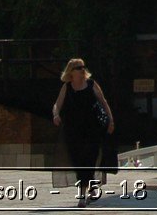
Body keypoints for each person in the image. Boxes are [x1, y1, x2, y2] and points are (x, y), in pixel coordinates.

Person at [51, 58, 115, 208]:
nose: (82, 70)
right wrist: (56, 115)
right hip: (73, 129)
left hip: (92, 128)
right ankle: (91, 186)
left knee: (90, 158)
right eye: (78, 68)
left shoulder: (92, 84)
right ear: (71, 72)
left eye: (83, 67)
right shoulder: (67, 87)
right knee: (78, 161)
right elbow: (57, 104)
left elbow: (103, 102)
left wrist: (110, 120)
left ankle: (82, 196)